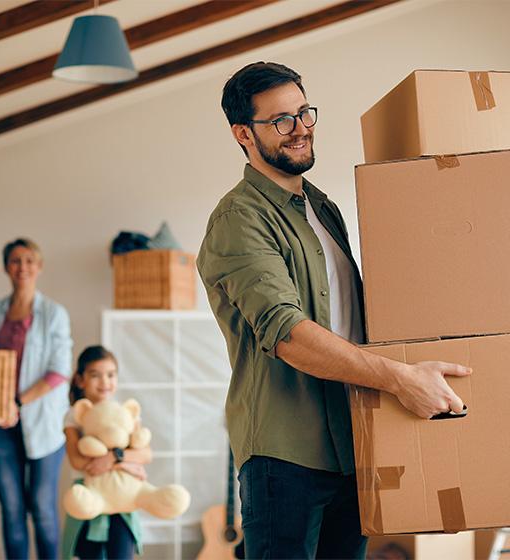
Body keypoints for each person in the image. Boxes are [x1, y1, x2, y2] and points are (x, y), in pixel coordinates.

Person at [196, 62, 472, 559]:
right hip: (285, 456)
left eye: (304, 112)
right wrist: (400, 379)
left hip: (354, 444)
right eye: (281, 120)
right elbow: (288, 335)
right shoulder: (240, 219)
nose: (301, 128)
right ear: (243, 133)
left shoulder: (323, 209)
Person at [0, 238, 72, 559]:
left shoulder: (54, 314)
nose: (22, 267)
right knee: (11, 509)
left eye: (29, 261)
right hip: (0, 425)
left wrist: (18, 403)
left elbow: (59, 371)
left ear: (39, 267)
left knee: (42, 509)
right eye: (15, 261)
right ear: (5, 268)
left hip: (42, 423)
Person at [61, 345, 149, 560]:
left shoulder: (124, 413)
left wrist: (113, 458)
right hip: (89, 495)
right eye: (95, 375)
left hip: (122, 499)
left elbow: (145, 454)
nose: (105, 382)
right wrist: (127, 463)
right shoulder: (74, 416)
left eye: (111, 375)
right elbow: (77, 461)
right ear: (80, 380)